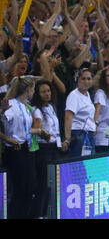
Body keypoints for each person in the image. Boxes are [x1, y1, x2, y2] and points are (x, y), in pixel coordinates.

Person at [0, 76, 50, 219]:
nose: (34, 92)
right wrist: (8, 138)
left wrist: (40, 131)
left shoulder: (25, 107)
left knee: (30, 188)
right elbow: (4, 118)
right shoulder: (10, 104)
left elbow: (26, 130)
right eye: (34, 89)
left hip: (26, 149)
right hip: (14, 150)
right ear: (29, 90)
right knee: (21, 189)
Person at [30, 79, 61, 219]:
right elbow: (38, 127)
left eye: (48, 91)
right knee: (43, 184)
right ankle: (38, 214)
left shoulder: (51, 107)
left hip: (54, 147)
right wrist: (43, 132)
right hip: (43, 149)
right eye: (43, 92)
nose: (47, 94)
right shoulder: (37, 110)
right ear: (38, 94)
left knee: (52, 184)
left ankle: (47, 213)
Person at [63, 68, 96, 157]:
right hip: (78, 134)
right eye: (83, 79)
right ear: (78, 80)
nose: (86, 81)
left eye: (89, 79)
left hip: (88, 134)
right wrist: (67, 139)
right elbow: (68, 117)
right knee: (79, 165)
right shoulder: (74, 95)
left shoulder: (87, 94)